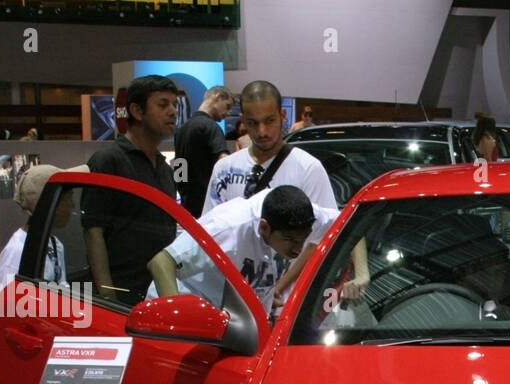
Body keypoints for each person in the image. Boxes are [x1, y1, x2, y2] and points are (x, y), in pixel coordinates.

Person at [202, 81, 338, 310]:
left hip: (284, 304)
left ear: (282, 115)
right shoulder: (224, 169)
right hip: (232, 303)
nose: (262, 131)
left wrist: (277, 287)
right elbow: (210, 234)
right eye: (253, 123)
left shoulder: (308, 168)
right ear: (243, 120)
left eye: (269, 121)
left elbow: (319, 238)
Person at [81, 74, 180, 307]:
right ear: (137, 111)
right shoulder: (108, 161)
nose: (173, 111)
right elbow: (93, 232)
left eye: (175, 104)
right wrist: (108, 298)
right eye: (163, 104)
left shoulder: (164, 168)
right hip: (121, 297)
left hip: (157, 293)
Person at [148, 184, 330, 309]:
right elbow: (161, 262)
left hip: (235, 318)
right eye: (289, 240)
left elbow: (347, 221)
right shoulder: (227, 228)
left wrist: (360, 275)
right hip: (185, 304)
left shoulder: (305, 214)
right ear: (264, 227)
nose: (298, 250)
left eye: (303, 239)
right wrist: (175, 321)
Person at [0, 164, 73, 288]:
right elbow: (9, 303)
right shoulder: (17, 251)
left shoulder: (54, 244)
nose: (72, 206)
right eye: (67, 200)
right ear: (48, 203)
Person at [174, 84, 233, 217]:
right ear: (217, 97)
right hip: (208, 204)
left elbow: (179, 166)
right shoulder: (211, 127)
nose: (228, 113)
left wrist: (183, 192)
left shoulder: (181, 130)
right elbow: (223, 161)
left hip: (187, 205)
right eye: (228, 106)